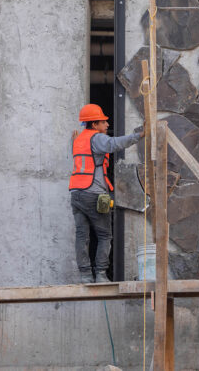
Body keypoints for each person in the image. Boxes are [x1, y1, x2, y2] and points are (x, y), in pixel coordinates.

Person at [69, 104, 144, 283]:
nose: (107, 124)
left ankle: (85, 275)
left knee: (82, 235)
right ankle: (101, 275)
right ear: (94, 124)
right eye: (103, 121)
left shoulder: (79, 139)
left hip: (76, 194)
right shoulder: (97, 138)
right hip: (93, 194)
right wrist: (139, 136)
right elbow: (113, 144)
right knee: (104, 235)